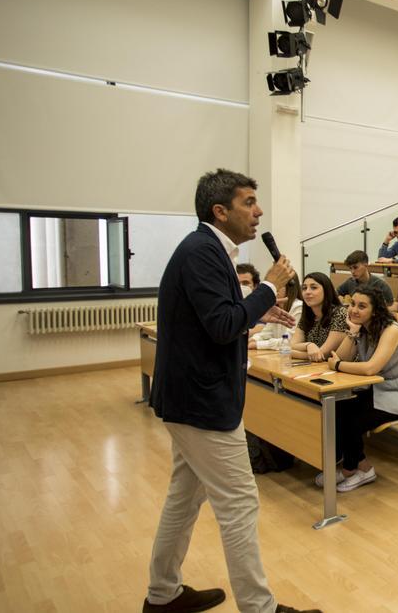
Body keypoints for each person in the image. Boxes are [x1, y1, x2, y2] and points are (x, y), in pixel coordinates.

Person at [145, 169, 316, 613]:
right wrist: (266, 288)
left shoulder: (208, 249)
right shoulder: (202, 252)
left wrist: (258, 310)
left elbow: (217, 320)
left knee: (184, 497)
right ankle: (259, 609)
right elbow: (222, 327)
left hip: (190, 398)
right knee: (239, 502)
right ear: (220, 211)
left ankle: (162, 594)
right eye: (248, 202)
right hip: (202, 403)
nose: (258, 211)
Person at [324, 283, 398, 492]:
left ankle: (351, 469)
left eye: (362, 306)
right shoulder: (363, 327)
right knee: (338, 407)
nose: (354, 310)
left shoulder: (391, 330)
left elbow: (370, 368)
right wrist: (352, 333)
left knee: (353, 420)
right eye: (352, 304)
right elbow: (341, 357)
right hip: (379, 389)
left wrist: (338, 365)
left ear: (375, 310)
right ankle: (361, 466)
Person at [290, 272, 348, 362]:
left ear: (326, 290)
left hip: (339, 370)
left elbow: (323, 354)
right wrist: (308, 345)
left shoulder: (340, 313)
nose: (307, 292)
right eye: (304, 288)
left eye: (314, 287)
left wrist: (294, 353)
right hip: (314, 367)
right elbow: (291, 346)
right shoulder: (308, 315)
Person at [250, 275, 303, 350]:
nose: (273, 290)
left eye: (278, 286)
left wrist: (257, 344)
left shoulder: (299, 306)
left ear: (290, 288)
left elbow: (288, 341)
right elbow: (266, 333)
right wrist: (253, 340)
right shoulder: (275, 307)